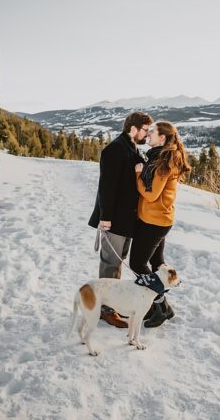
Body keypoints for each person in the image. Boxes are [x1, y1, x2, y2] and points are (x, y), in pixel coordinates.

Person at [87, 111, 153, 328]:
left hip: (126, 220)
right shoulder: (114, 150)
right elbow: (107, 188)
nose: (147, 134)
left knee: (117, 263)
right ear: (133, 129)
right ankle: (105, 310)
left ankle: (111, 306)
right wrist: (105, 219)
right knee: (110, 264)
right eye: (145, 130)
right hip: (113, 219)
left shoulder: (131, 148)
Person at [132, 121, 190, 327]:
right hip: (157, 218)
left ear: (163, 138)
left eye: (153, 133)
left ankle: (162, 307)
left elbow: (151, 194)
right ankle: (156, 308)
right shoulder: (161, 156)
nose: (149, 135)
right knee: (157, 265)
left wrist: (139, 174)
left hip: (154, 221)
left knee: (137, 263)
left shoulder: (165, 162)